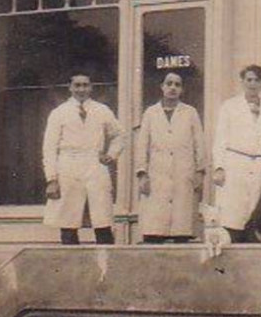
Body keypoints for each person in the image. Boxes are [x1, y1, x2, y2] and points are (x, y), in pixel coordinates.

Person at [42, 71, 125, 245]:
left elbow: (119, 135)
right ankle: (72, 267)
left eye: (85, 85)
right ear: (70, 88)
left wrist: (111, 155)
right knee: (68, 221)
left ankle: (106, 267)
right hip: (68, 167)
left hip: (95, 165)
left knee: (102, 220)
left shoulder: (101, 110)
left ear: (91, 87)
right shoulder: (59, 113)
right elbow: (49, 148)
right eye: (77, 85)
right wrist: (52, 179)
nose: (81, 89)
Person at [211, 64, 261, 243]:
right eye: (249, 79)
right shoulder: (229, 107)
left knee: (256, 213)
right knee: (234, 213)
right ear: (242, 82)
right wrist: (219, 167)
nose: (253, 84)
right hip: (235, 166)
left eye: (257, 80)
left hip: (260, 167)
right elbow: (220, 139)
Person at [134, 71, 206, 243]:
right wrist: (142, 173)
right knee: (155, 228)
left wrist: (200, 172)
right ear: (162, 87)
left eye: (177, 84)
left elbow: (200, 144)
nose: (173, 88)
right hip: (157, 175)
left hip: (183, 174)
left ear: (182, 89)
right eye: (169, 84)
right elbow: (142, 145)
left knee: (181, 228)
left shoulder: (190, 113)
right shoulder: (151, 113)